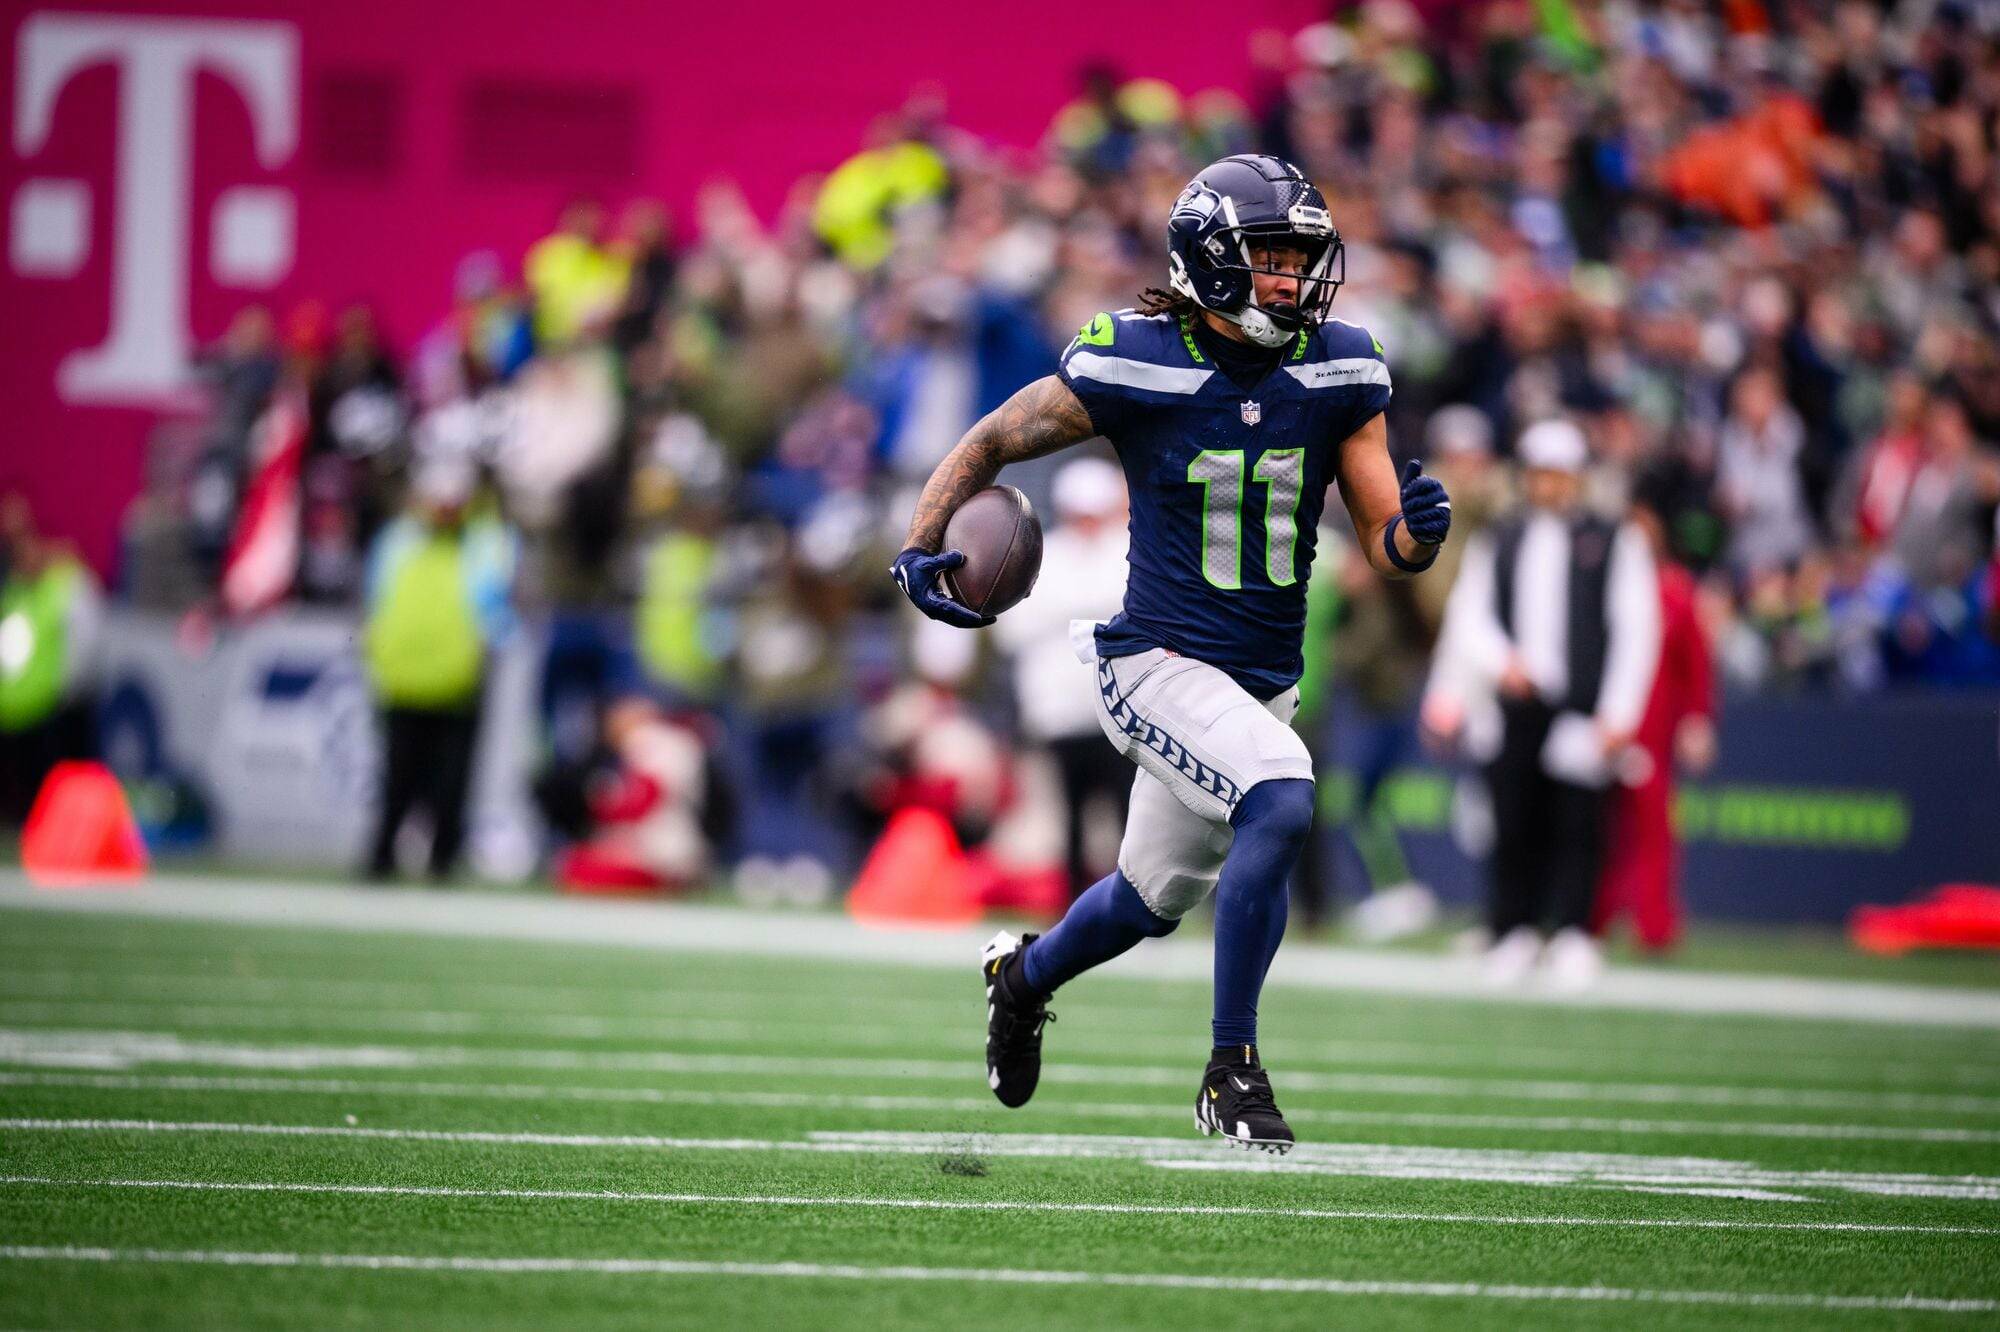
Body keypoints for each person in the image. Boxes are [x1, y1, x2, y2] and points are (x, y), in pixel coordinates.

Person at [892, 155, 1451, 1151]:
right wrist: (918, 542)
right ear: (1212, 261)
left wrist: (1417, 532)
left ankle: (1019, 981)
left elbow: (1386, 546)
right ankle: (1228, 1073)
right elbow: (990, 441)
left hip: (1258, 682)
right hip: (1152, 662)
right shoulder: (1133, 358)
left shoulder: (1340, 366)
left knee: (1146, 901)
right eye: (1270, 258)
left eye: (1299, 259)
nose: (1291, 280)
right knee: (1280, 793)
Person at [1442, 420, 1661, 990]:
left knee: (1578, 823)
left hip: (1581, 707)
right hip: (1517, 704)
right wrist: (1501, 664)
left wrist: (1619, 712)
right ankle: (1512, 928)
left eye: (1561, 475)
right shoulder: (1503, 536)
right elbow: (1472, 614)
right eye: (1542, 475)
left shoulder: (1613, 538)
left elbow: (1636, 628)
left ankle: (1573, 932)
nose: (1551, 486)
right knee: (1512, 821)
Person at [361, 460, 516, 882]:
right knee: (397, 778)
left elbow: (495, 608)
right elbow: (378, 601)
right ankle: (383, 856)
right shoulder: (399, 541)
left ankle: (441, 861)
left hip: (456, 678)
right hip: (404, 676)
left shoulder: (484, 543)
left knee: (449, 783)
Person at [991, 455, 1131, 899]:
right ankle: (1071, 907)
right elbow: (1011, 628)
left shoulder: (1128, 553)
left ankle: (1133, 908)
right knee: (1068, 818)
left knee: (1129, 818)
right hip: (1059, 713)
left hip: (1121, 710)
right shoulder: (1046, 555)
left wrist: (1067, 614)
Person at [1592, 471, 1716, 953]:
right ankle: (1591, 920)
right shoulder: (1600, 590)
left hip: (1652, 732)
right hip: (1605, 727)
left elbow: (1696, 666)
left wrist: (1697, 720)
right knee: (1597, 830)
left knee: (1652, 831)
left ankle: (1654, 924)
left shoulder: (1674, 591)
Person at [0, 497, 105, 824]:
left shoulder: (65, 582)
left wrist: (72, 687)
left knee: (60, 796)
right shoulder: (15, 589)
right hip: (13, 713)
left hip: (55, 708)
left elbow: (86, 639)